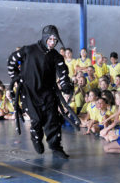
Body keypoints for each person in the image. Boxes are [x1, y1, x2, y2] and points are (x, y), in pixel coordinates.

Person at [7, 25, 74, 159]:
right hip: (29, 93)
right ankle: (36, 137)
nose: (52, 43)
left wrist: (66, 87)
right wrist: (15, 78)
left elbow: (63, 72)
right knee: (36, 120)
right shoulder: (28, 50)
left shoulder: (56, 56)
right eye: (50, 39)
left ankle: (56, 147)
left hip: (48, 93)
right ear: (44, 38)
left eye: (55, 40)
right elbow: (12, 61)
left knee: (52, 121)